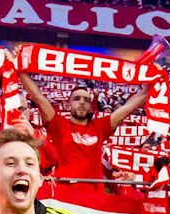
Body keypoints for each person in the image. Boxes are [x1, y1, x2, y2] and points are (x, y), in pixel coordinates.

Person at [19, 76, 149, 184]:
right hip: (64, 194)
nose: (82, 102)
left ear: (91, 106)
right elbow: (38, 96)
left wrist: (152, 82)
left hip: (94, 197)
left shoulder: (100, 126)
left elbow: (129, 106)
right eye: (77, 99)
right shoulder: (58, 124)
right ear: (68, 104)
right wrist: (20, 68)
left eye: (86, 100)